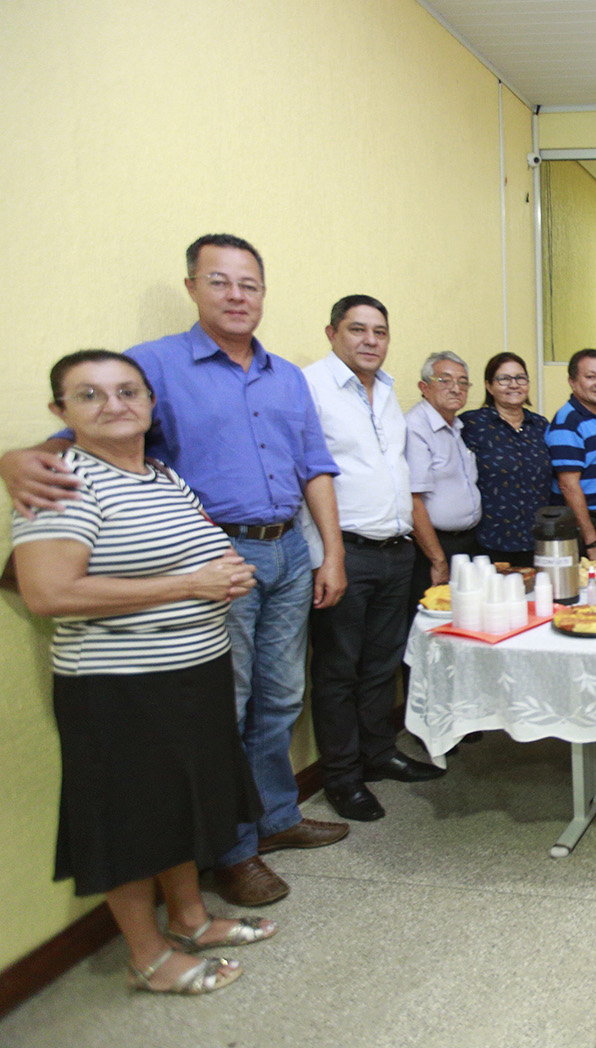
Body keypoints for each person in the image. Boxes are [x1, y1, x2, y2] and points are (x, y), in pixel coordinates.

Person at [0, 234, 348, 908]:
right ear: (192, 287)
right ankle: (233, 850)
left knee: (279, 697)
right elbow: (87, 429)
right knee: (232, 702)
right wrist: (14, 459)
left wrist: (328, 551)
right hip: (216, 556)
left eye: (249, 284)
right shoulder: (153, 366)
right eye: (220, 282)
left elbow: (315, 467)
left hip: (286, 551)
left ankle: (276, 816)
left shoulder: (285, 377)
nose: (236, 296)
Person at [11, 350, 273, 995]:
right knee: (129, 821)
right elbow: (48, 593)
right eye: (90, 395)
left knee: (178, 807)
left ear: (151, 404)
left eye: (128, 391)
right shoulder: (62, 482)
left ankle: (189, 917)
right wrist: (190, 583)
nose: (114, 405)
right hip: (117, 687)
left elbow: (197, 553)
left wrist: (226, 576)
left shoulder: (160, 476)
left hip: (193, 672)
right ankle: (148, 956)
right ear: (60, 413)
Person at [302, 296, 444, 824]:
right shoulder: (309, 388)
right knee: (339, 669)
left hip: (394, 550)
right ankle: (342, 777)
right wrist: (329, 557)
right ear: (331, 332)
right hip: (344, 552)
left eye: (379, 332)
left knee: (383, 664)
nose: (369, 341)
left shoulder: (386, 392)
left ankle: (378, 753)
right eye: (357, 330)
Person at [459, 353, 554, 565]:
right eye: (504, 379)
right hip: (490, 540)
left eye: (520, 378)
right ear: (489, 386)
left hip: (538, 539)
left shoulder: (540, 426)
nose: (514, 385)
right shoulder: (472, 424)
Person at [405, 351, 482, 609]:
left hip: (466, 542)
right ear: (424, 387)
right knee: (432, 623)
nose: (455, 388)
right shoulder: (416, 427)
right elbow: (413, 501)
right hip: (433, 547)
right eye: (445, 380)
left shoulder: (457, 427)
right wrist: (438, 560)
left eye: (463, 382)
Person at [547, 348, 596, 561]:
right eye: (591, 377)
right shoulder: (567, 422)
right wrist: (592, 542)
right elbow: (568, 486)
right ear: (572, 381)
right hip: (584, 524)